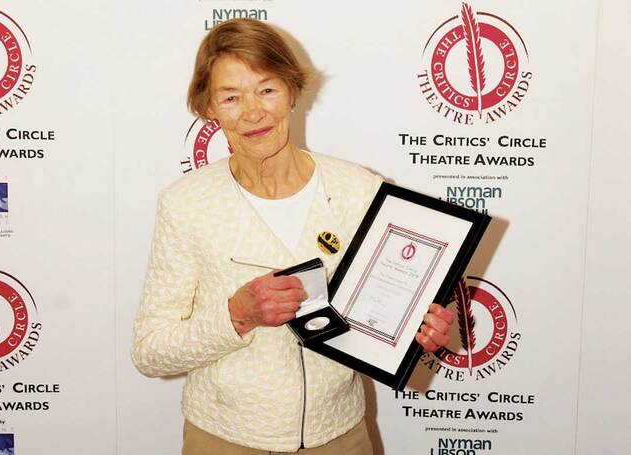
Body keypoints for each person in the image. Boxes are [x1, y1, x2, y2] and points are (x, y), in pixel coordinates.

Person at [132, 18, 455, 455]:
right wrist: (238, 315)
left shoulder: (360, 189)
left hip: (340, 437)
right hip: (224, 441)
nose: (252, 112)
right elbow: (151, 352)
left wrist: (420, 329)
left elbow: (391, 311)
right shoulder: (185, 204)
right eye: (231, 97)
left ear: (291, 91)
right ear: (209, 108)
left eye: (266, 90)